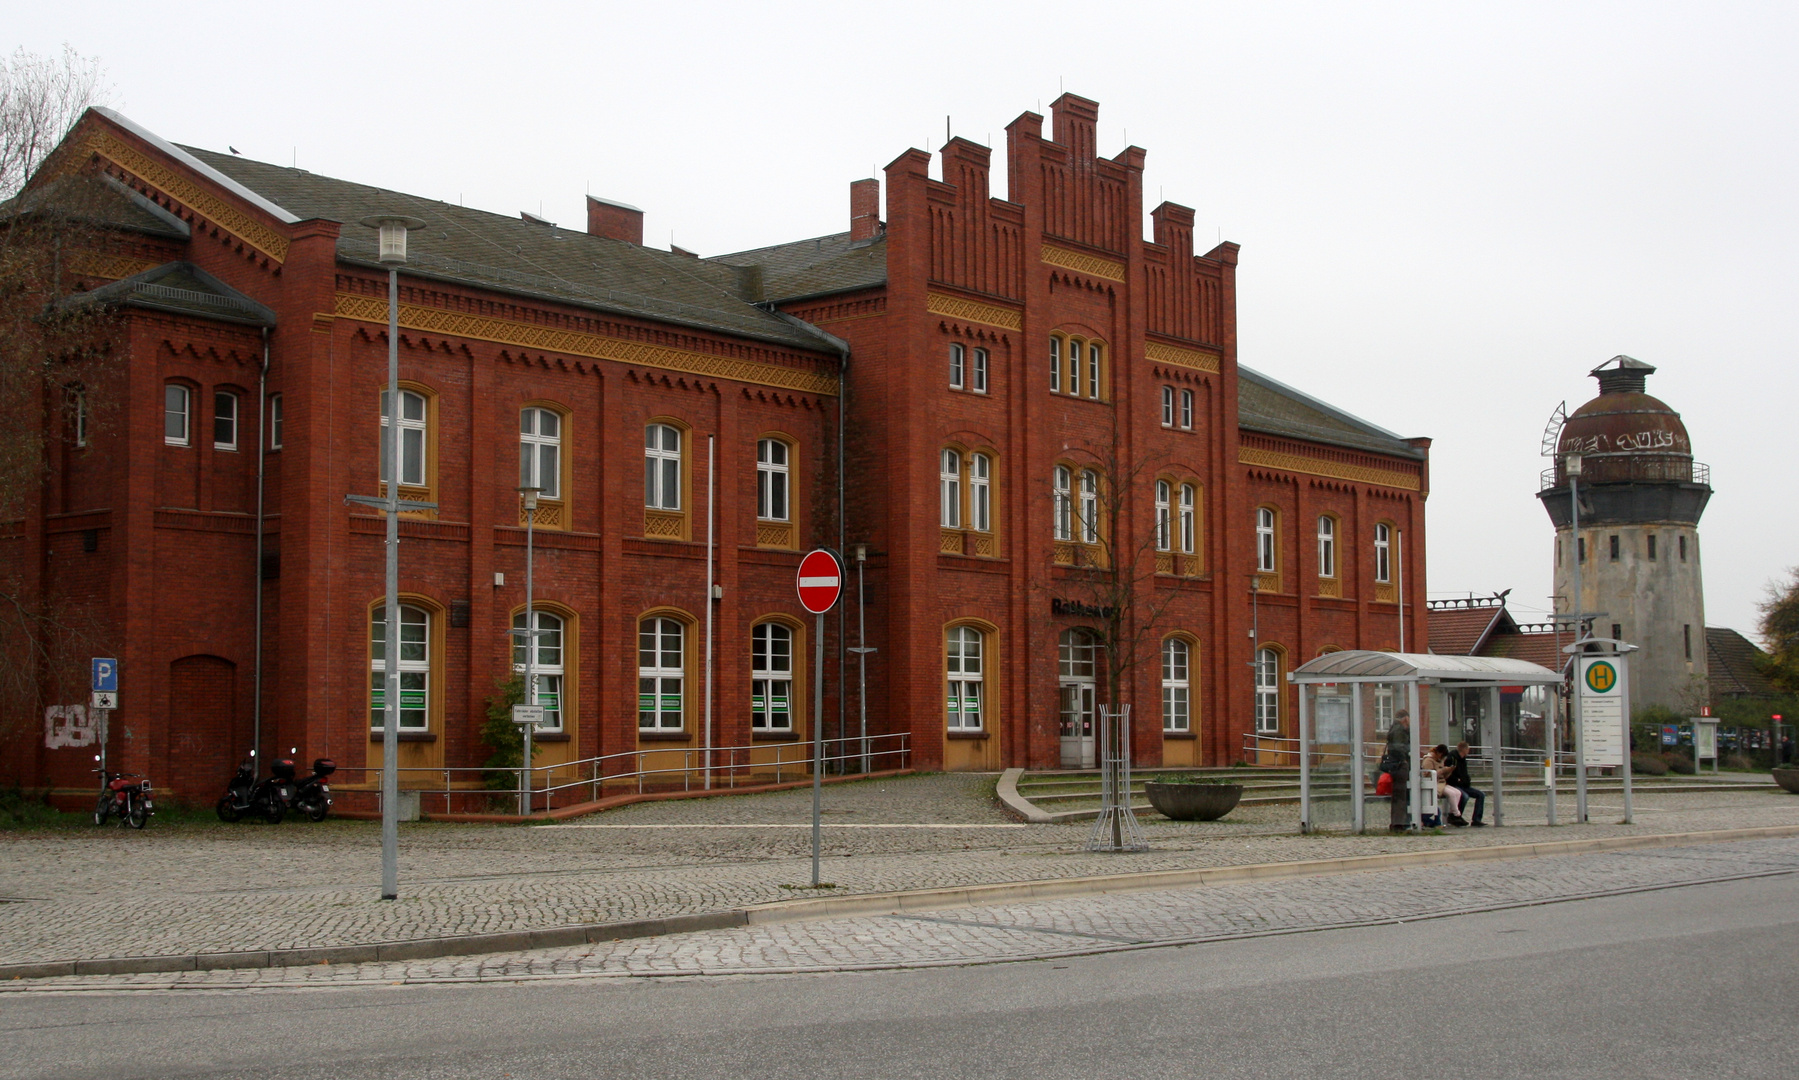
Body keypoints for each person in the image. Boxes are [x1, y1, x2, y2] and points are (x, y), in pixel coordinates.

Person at [1379, 711, 1412, 831]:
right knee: (1401, 795)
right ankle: (1399, 823)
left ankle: (1398, 822)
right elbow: (1399, 747)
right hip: (1399, 765)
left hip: (1395, 764)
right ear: (1405, 718)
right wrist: (1404, 760)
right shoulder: (1399, 730)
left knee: (1398, 795)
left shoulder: (1394, 728)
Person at [1444, 740, 1486, 827]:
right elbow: (1448, 773)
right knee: (1464, 796)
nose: (1468, 751)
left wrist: (1466, 780)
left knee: (1480, 795)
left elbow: (1464, 773)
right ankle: (1456, 816)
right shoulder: (1452, 758)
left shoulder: (1463, 759)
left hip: (1464, 785)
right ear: (1464, 749)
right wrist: (1458, 780)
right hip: (1454, 784)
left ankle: (1476, 819)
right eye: (1468, 749)